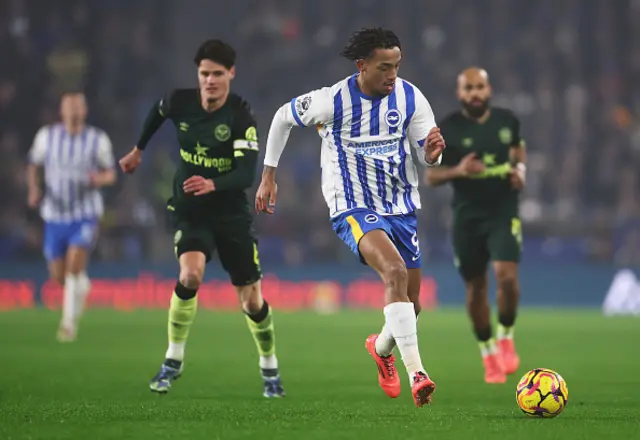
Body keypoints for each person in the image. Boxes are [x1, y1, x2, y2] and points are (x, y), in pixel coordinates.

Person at [255, 28, 445, 407]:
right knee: (394, 272)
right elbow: (281, 118)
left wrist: (434, 153)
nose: (392, 75)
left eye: (396, 66)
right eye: (384, 67)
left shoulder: (411, 98)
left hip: (402, 207)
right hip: (353, 206)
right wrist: (269, 174)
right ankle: (418, 375)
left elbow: (425, 154)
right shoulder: (332, 101)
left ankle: (382, 349)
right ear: (362, 66)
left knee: (412, 303)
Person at [118, 39, 285, 397]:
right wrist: (138, 149)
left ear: (231, 75)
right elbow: (158, 112)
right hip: (192, 206)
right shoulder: (179, 101)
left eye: (217, 74)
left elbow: (245, 174)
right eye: (204, 73)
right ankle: (172, 360)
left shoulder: (241, 116)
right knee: (190, 274)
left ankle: (269, 366)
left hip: (230, 212)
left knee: (251, 301)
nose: (210, 80)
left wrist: (213, 182)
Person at [424, 67, 525, 384]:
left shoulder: (507, 120)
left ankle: (506, 335)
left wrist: (520, 171)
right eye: (468, 88)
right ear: (459, 93)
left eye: (479, 87)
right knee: (476, 287)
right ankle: (488, 353)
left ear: (489, 89)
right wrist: (459, 171)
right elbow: (430, 177)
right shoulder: (448, 128)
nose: (475, 93)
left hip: (503, 209)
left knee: (506, 275)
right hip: (467, 216)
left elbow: (519, 153)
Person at [27, 91, 116, 342]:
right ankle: (81, 287)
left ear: (84, 111)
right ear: (62, 111)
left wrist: (98, 179)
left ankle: (68, 325)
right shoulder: (47, 137)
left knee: (75, 263)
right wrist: (34, 189)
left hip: (85, 213)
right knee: (58, 275)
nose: (75, 111)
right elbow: (33, 163)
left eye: (79, 106)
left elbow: (111, 174)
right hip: (54, 215)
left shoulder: (97, 139)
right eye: (70, 106)